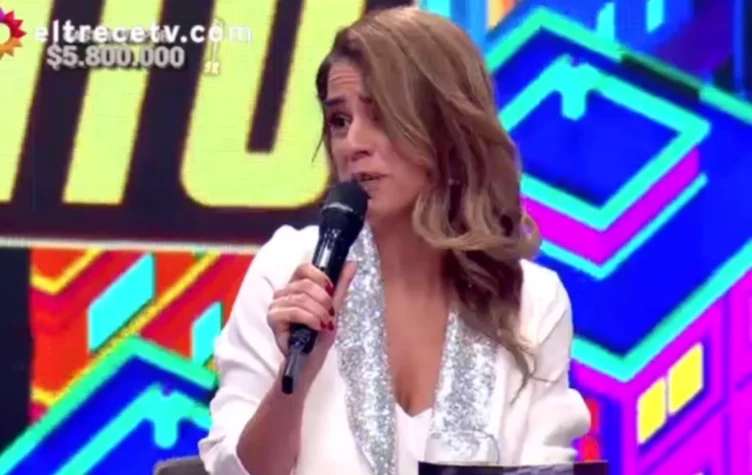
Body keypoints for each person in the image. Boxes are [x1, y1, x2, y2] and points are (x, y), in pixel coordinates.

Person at [198, 6, 590, 475]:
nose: (352, 143)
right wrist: (296, 377)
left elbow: (546, 468)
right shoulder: (289, 268)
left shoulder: (532, 301)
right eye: (339, 120)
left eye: (380, 115)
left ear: (448, 128)